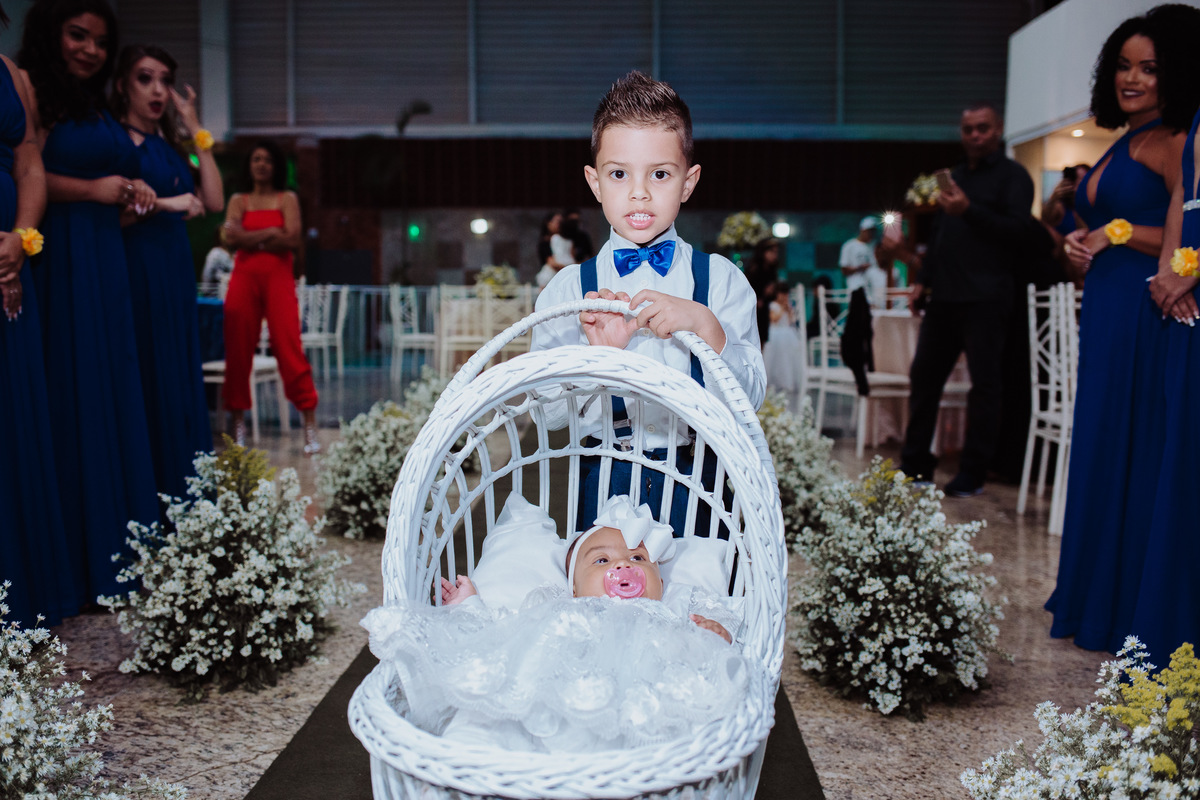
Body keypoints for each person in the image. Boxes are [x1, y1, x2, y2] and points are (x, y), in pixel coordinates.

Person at [531, 70, 765, 534]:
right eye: (619, 174)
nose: (639, 192)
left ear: (688, 181)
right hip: (604, 480)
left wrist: (708, 329)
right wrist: (595, 360)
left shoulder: (721, 281)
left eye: (660, 174)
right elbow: (546, 414)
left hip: (702, 481)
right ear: (595, 182)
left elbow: (750, 400)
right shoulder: (567, 291)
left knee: (697, 600)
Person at [363, 495, 749, 752]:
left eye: (637, 559)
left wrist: (715, 633)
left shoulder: (672, 606)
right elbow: (505, 636)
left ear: (660, 580)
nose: (622, 566)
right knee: (494, 713)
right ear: (575, 589)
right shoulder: (561, 610)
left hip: (642, 704)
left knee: (682, 733)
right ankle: (470, 763)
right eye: (601, 561)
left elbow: (720, 626)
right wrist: (470, 607)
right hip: (554, 695)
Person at [1050, 4, 1200, 659]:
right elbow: (1094, 226)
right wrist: (1075, 248)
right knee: (1103, 446)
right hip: (1107, 308)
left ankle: (1124, 599)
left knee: (1133, 449)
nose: (1131, 78)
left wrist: (1111, 234)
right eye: (1123, 65)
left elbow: (1178, 232)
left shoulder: (1174, 138)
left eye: (1149, 68)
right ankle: (1095, 593)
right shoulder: (1119, 140)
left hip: (1142, 313)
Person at [19, 0, 160, 602]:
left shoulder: (94, 105)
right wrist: (95, 189)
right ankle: (78, 557)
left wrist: (133, 192)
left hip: (107, 262)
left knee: (111, 395)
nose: (90, 50)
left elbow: (111, 185)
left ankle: (120, 551)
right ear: (52, 35)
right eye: (78, 36)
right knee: (73, 398)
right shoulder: (36, 97)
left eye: (100, 41)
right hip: (62, 262)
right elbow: (24, 174)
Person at [898, 101, 1037, 497]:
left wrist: (969, 210)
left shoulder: (1014, 177)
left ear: (999, 130)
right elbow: (941, 236)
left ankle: (972, 472)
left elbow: (1018, 233)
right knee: (923, 379)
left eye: (983, 128)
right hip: (944, 298)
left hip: (988, 298)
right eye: (968, 129)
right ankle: (914, 465)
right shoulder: (954, 177)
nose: (975, 135)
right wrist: (922, 279)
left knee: (985, 387)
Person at [111, 45, 222, 501]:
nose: (158, 91)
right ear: (122, 84)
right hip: (135, 269)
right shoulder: (115, 142)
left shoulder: (172, 147)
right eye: (145, 79)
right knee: (144, 374)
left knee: (178, 376)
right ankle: (145, 486)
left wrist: (194, 125)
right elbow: (112, 217)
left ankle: (184, 486)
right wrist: (170, 204)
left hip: (175, 273)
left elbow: (213, 200)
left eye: (164, 80)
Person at [0, 1, 79, 627]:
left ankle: (22, 588)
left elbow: (30, 164)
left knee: (16, 416)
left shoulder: (10, 72)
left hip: (10, 259)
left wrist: (20, 239)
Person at [221, 139, 320, 453]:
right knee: (237, 346)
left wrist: (249, 239)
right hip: (244, 278)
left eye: (267, 160)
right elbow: (228, 236)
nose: (261, 165)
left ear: (276, 166)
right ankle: (237, 422)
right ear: (249, 165)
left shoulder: (286, 198)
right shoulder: (239, 199)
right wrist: (269, 235)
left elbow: (291, 238)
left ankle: (309, 422)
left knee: (289, 345)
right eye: (255, 159)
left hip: (278, 279)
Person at [762, 281, 806, 411]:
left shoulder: (788, 306)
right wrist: (783, 308)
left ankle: (787, 383)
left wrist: (789, 310)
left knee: (787, 360)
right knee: (775, 360)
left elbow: (791, 321)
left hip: (788, 335)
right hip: (776, 335)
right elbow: (774, 319)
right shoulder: (773, 305)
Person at [839, 216, 887, 307]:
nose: (871, 234)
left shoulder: (874, 246)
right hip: (856, 288)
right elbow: (844, 269)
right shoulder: (849, 246)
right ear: (863, 230)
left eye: (873, 231)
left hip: (874, 289)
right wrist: (860, 268)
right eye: (869, 231)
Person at [744, 237, 780, 345]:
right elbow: (747, 289)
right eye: (772, 252)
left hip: (764, 309)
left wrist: (770, 293)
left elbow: (773, 293)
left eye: (776, 252)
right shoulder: (754, 269)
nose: (775, 255)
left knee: (762, 339)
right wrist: (759, 297)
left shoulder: (771, 270)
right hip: (753, 309)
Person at [1041, 164, 1090, 241]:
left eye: (1083, 179)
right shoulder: (1060, 205)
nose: (1076, 182)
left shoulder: (1092, 207)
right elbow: (1046, 221)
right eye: (1074, 178)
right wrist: (1054, 198)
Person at [535, 210, 573, 289]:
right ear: (548, 223)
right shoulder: (545, 242)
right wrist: (568, 269)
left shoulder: (567, 241)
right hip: (551, 277)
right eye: (557, 222)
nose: (559, 224)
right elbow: (552, 263)